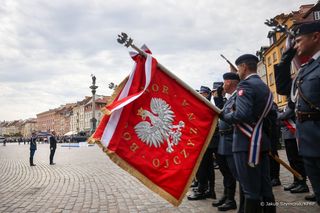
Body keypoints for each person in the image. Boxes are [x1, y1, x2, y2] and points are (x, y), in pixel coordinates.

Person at [220, 54, 276, 213]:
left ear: (243, 67)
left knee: (250, 190)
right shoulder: (264, 86)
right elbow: (271, 115)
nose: (237, 72)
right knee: (266, 188)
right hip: (260, 141)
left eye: (238, 68)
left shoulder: (245, 86)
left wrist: (223, 115)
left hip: (246, 143)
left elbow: (241, 115)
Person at [274, 21, 320, 205]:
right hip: (308, 141)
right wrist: (285, 59)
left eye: (299, 40)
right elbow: (285, 89)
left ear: (316, 37)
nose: (295, 45)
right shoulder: (306, 68)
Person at [212, 72, 239, 212]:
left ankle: (231, 199)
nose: (223, 85)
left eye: (224, 82)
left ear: (230, 82)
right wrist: (218, 98)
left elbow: (228, 115)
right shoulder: (229, 99)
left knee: (233, 171)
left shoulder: (238, 96)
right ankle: (227, 196)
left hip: (231, 138)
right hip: (223, 139)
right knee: (225, 171)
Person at [188, 86, 217, 200]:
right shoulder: (204, 105)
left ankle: (204, 189)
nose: (199, 95)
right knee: (205, 167)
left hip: (208, 142)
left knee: (205, 167)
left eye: (201, 93)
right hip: (203, 141)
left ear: (206, 94)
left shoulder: (209, 105)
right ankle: (207, 189)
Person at [278, 99, 309, 194]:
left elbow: (284, 116)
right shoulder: (288, 103)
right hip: (288, 136)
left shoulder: (293, 103)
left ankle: (302, 183)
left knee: (297, 160)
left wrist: (275, 115)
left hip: (293, 135)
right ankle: (296, 181)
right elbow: (282, 121)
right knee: (291, 160)